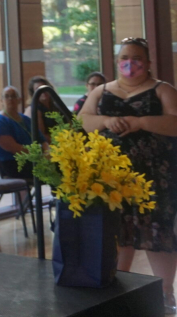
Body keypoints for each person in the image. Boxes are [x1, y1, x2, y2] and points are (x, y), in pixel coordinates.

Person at [79, 37, 177, 314]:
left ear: (147, 63)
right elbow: (83, 120)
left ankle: (165, 293)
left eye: (136, 58)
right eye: (124, 58)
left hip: (155, 177)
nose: (129, 63)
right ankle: (116, 290)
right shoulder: (101, 91)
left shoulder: (162, 90)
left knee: (156, 234)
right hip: (111, 177)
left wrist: (141, 122)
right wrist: (106, 121)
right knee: (117, 233)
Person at [0, 86, 46, 179]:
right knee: (57, 168)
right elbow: (13, 148)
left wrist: (48, 152)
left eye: (13, 96)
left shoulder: (26, 120)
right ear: (1, 101)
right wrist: (40, 155)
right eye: (6, 96)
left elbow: (42, 140)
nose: (10, 99)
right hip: (15, 164)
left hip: (34, 160)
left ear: (19, 100)